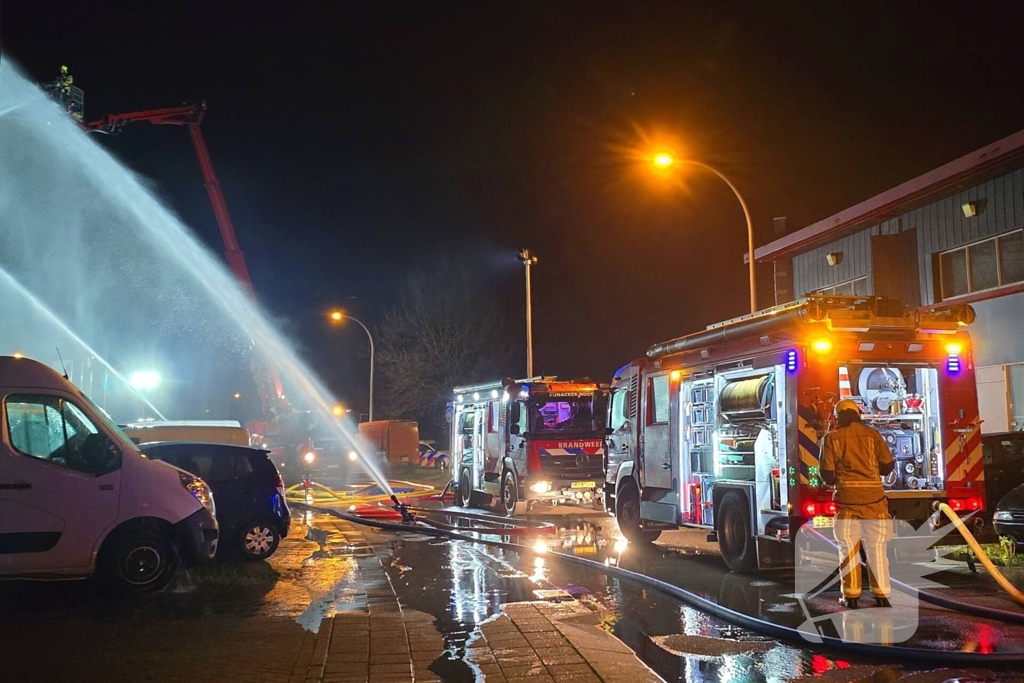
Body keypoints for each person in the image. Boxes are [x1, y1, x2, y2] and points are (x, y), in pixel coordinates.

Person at [820, 399, 895, 609]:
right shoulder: (872, 435)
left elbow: (826, 474)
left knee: (848, 550)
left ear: (838, 417)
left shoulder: (831, 438)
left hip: (847, 504)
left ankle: (851, 597)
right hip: (876, 504)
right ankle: (881, 596)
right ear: (857, 414)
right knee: (877, 549)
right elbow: (888, 466)